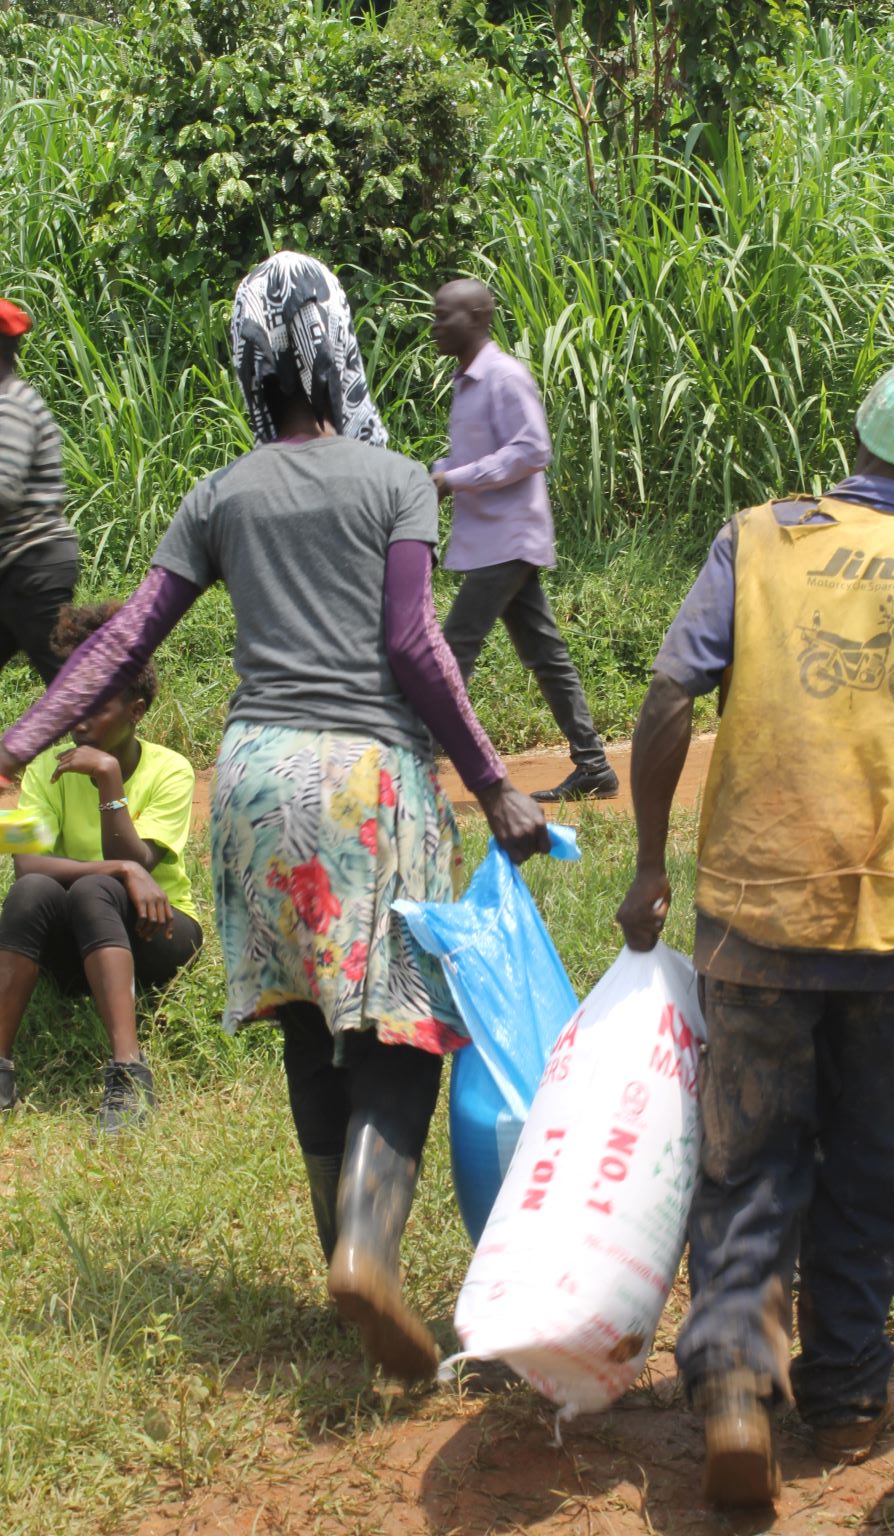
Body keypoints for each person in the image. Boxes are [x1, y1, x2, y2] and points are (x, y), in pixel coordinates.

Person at [0, 251, 548, 1381]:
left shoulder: (221, 492)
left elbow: (120, 640)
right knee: (397, 1018)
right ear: (339, 350)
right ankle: (367, 1253)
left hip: (251, 779)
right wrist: (490, 779)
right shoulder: (394, 478)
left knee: (308, 1013)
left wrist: (14, 743)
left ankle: (339, 1274)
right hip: (367, 777)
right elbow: (412, 642)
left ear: (251, 366)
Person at [616, 343, 894, 1506]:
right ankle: (845, 1394)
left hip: (752, 908)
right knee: (865, 1162)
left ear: (861, 436)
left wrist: (647, 866)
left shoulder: (759, 536)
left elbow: (663, 701)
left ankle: (737, 1389)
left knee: (746, 1157)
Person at [0, 603, 201, 1131]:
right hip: (76, 940)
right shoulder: (43, 766)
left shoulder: (172, 770)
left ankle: (129, 1074)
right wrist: (118, 872)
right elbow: (25, 866)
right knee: (32, 892)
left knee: (93, 891)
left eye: (95, 706)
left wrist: (109, 781)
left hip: (157, 930)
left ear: (136, 711)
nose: (78, 721)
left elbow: (140, 862)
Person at [430, 278, 618, 802]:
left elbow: (532, 449)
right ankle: (594, 766)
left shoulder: (504, 377)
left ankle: (415, 760)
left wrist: (455, 479)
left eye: (446, 316)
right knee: (545, 655)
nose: (436, 325)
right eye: (435, 314)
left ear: (479, 317)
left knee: (454, 648)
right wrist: (436, 475)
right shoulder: (466, 381)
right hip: (494, 540)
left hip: (507, 540)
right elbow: (472, 458)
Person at [0, 298, 78, 690]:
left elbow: (3, 489)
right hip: (15, 566)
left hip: (32, 566)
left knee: (73, 693)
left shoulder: (9, 405)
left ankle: (107, 749)